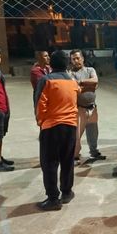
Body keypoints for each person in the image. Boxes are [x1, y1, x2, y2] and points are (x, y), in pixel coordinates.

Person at [35, 50, 80, 210]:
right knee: (67, 160)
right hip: (70, 126)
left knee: (49, 163)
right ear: (67, 64)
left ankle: (53, 199)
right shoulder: (73, 82)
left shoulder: (46, 80)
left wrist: (41, 122)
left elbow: (40, 104)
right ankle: (67, 192)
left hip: (51, 127)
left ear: (51, 63)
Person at [69, 49, 105, 162]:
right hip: (80, 108)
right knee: (77, 134)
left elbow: (95, 81)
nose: (76, 61)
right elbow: (75, 88)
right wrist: (89, 85)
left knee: (93, 132)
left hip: (92, 107)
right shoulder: (70, 73)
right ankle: (75, 155)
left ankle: (94, 152)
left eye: (78, 58)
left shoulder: (90, 70)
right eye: (73, 59)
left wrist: (81, 83)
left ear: (83, 59)